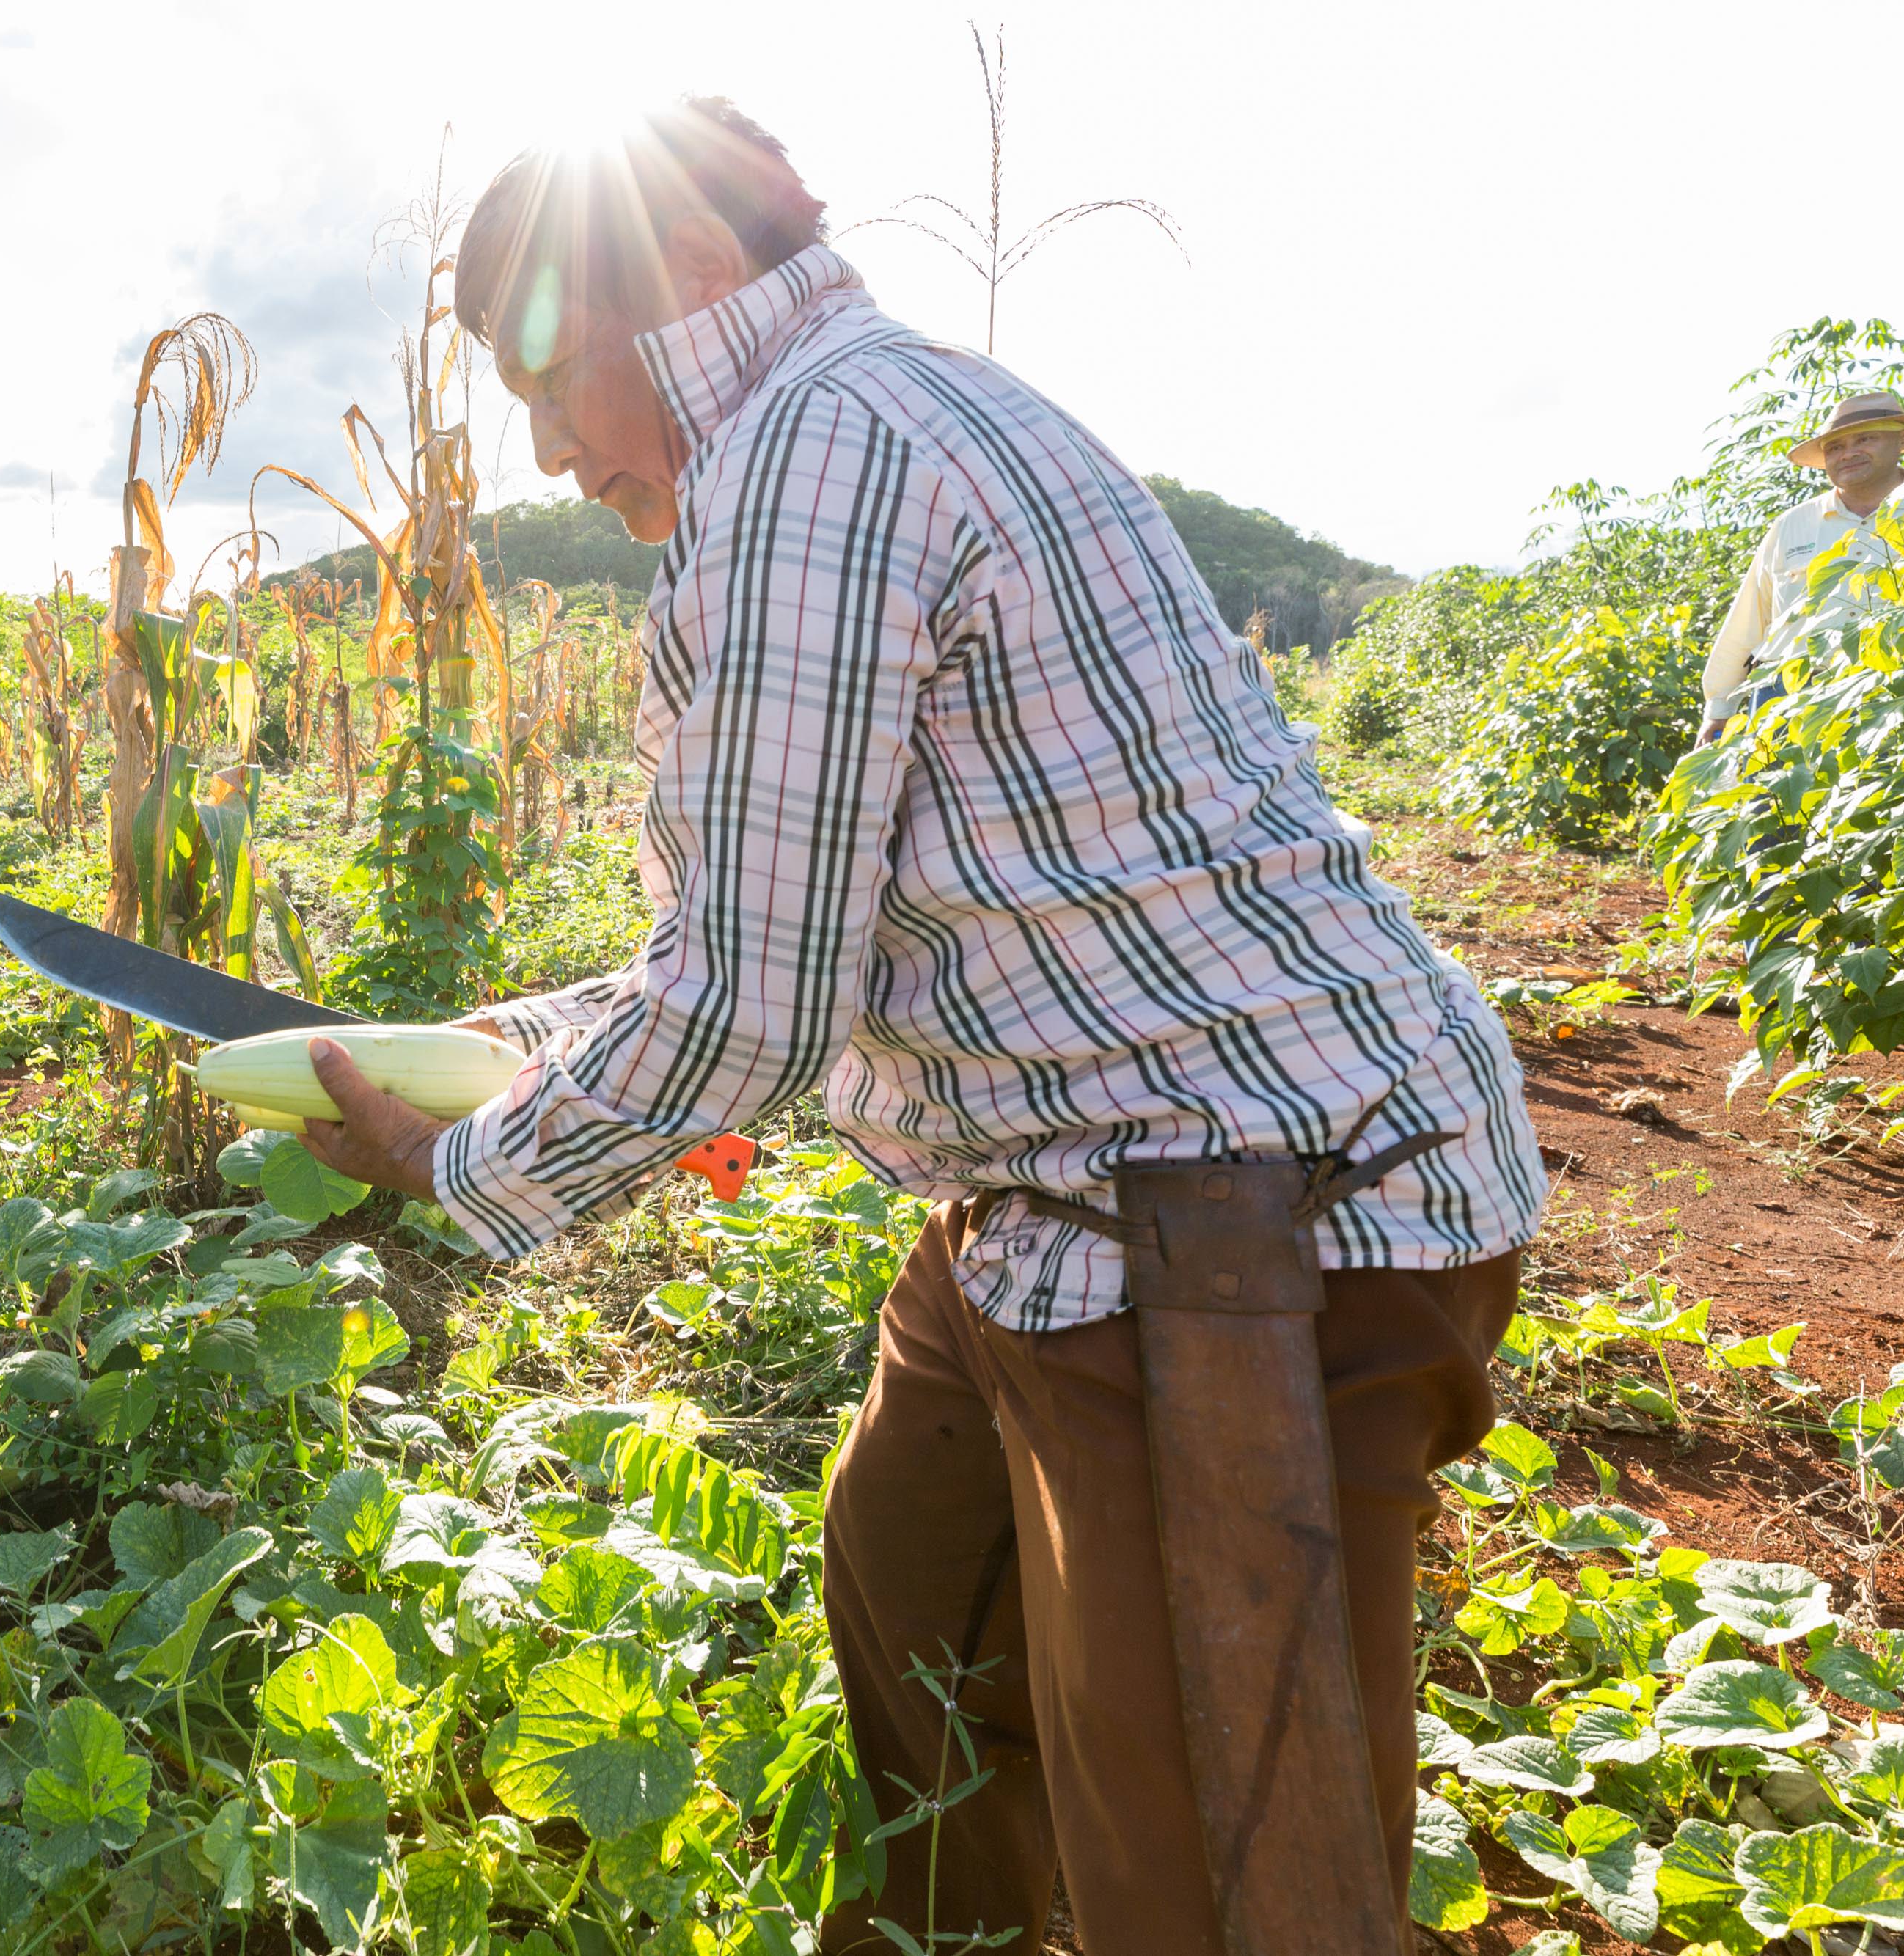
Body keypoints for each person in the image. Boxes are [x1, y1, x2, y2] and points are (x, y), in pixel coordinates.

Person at [293, 98, 1546, 1956]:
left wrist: (470, 1162)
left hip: (1243, 1231)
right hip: (1056, 1198)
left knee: (1221, 1868)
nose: (546, 451)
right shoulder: (872, 419)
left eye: (549, 374)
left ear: (699, 272)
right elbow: (794, 926)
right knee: (913, 1591)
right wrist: (512, 1030)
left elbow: (749, 1008)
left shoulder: (819, 456)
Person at [1696, 387, 1904, 742]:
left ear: (1899, 442)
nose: (1849, 453)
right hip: (1788, 695)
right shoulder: (1792, 525)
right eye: (1835, 447)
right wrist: (1719, 706)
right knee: (1778, 795)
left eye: (1865, 439)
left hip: (1891, 690)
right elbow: (1751, 616)